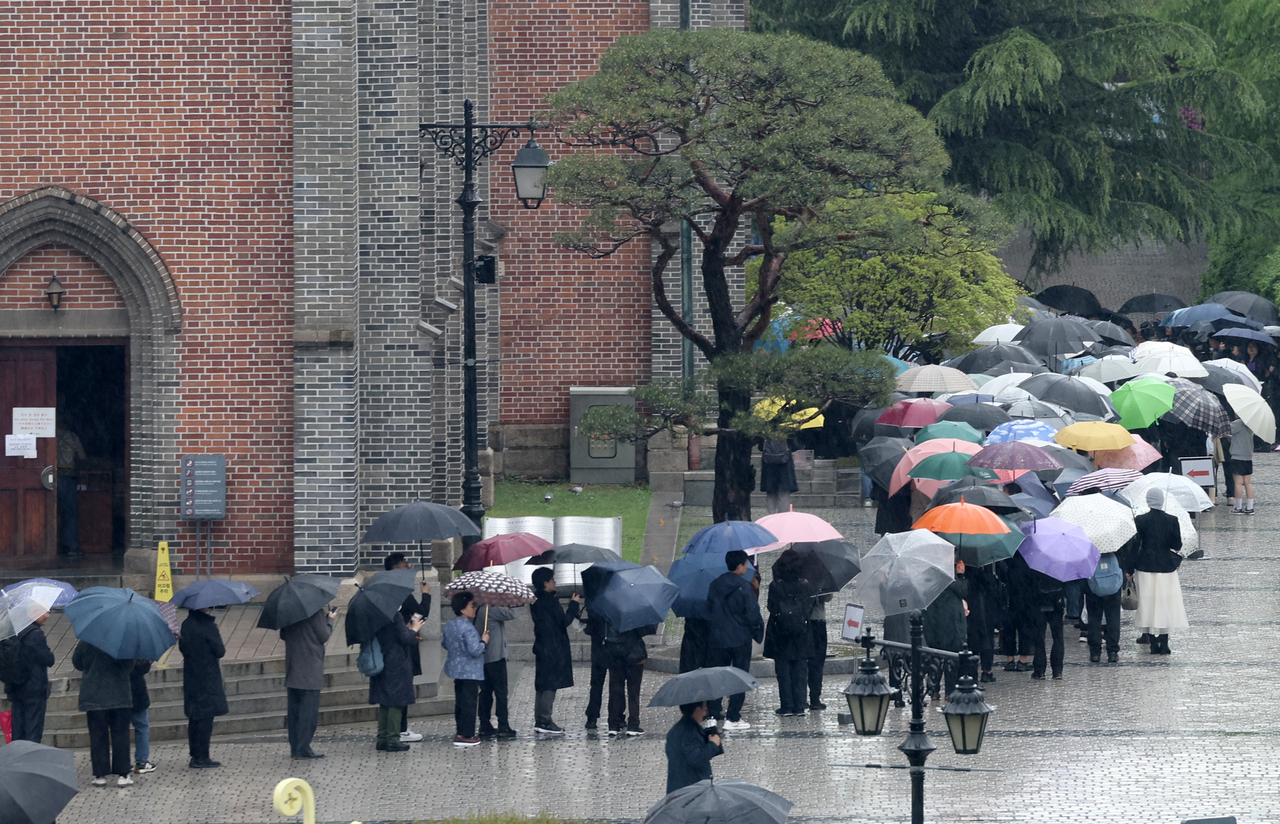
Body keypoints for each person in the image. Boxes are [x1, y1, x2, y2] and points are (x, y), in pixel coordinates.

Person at [1123, 489, 1188, 654]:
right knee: (1165, 603)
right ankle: (1164, 643)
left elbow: (1134, 546)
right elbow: (1177, 545)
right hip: (1166, 567)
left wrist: (1129, 569)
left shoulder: (1140, 520)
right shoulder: (1172, 520)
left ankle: (1152, 643)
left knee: (1148, 603)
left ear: (1148, 501)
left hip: (1145, 566)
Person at [706, 550, 764, 729]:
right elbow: (752, 613)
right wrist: (757, 633)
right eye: (746, 564)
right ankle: (733, 717)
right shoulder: (744, 587)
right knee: (740, 677)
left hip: (717, 639)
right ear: (739, 565)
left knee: (716, 676)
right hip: (740, 639)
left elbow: (709, 608)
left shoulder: (715, 585)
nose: (747, 567)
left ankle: (713, 714)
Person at [73, 640, 135, 786]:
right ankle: (123, 773)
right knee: (121, 735)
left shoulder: (87, 641)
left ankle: (100, 774)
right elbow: (129, 666)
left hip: (94, 695)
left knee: (97, 736)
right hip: (119, 694)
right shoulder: (123, 642)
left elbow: (77, 663)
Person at [529, 566, 582, 735]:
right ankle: (545, 720)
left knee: (542, 684)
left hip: (542, 646)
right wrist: (574, 605)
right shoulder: (550, 601)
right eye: (552, 579)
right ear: (546, 583)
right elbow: (564, 621)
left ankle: (540, 719)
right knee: (550, 685)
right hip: (553, 647)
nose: (555, 582)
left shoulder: (536, 600)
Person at [280, 603, 336, 758]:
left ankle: (295, 747)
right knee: (308, 712)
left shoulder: (289, 610)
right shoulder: (314, 611)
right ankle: (303, 748)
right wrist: (330, 620)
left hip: (293, 667)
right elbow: (323, 635)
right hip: (310, 669)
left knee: (295, 712)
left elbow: (283, 634)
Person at [387, 552, 431, 743]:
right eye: (405, 565)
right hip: (404, 644)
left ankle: (394, 729)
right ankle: (401, 729)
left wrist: (414, 625)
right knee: (403, 687)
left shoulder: (389, 589)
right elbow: (421, 613)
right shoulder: (400, 592)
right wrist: (426, 595)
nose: (409, 568)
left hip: (398, 640)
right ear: (396, 569)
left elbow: (415, 616)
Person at [764, 550, 815, 716]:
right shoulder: (806, 584)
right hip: (801, 632)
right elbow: (809, 607)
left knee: (783, 671)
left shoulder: (775, 586)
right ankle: (800, 705)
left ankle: (786, 705)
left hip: (780, 632)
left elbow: (771, 607)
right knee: (800, 669)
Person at [370, 604, 425, 751]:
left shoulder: (375, 614)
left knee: (384, 701)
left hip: (381, 660)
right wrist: (413, 629)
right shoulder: (394, 614)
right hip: (396, 662)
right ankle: (393, 739)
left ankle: (382, 738)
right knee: (396, 701)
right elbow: (405, 638)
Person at [180, 606, 229, 768]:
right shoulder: (208, 627)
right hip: (207, 676)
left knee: (195, 717)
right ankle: (202, 756)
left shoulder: (187, 624)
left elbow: (183, 648)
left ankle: (195, 754)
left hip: (191, 676)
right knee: (206, 717)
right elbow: (220, 651)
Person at [442, 592, 488, 747]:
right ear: (462, 609)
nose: (474, 608)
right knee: (469, 703)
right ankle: (467, 735)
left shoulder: (450, 624)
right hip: (470, 672)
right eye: (471, 605)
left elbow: (444, 643)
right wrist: (484, 641)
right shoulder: (468, 628)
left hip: (456, 669)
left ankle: (460, 731)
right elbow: (475, 650)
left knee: (460, 702)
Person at [3, 606, 54, 743]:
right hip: (34, 690)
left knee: (18, 732)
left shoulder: (13, 631)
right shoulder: (35, 634)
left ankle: (18, 761)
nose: (48, 615)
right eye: (45, 612)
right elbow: (49, 659)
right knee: (33, 732)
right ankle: (30, 762)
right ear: (33, 613)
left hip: (16, 688)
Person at [599, 615, 656, 736]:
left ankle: (613, 724)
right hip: (634, 655)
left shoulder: (611, 611)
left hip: (615, 655)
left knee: (615, 690)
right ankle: (633, 725)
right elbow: (647, 630)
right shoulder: (637, 611)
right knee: (633, 692)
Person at [922, 557, 968, 695]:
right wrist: (961, 574)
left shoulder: (929, 573)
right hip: (949, 623)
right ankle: (950, 691)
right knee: (951, 657)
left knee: (935, 655)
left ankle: (933, 690)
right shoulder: (948, 574)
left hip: (933, 620)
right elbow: (963, 591)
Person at [474, 602, 517, 739]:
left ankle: (484, 723)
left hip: (484, 657)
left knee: (486, 691)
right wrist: (514, 604)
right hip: (495, 657)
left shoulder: (479, 608)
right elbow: (511, 614)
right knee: (501, 691)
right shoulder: (490, 609)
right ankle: (503, 724)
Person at [665, 701, 723, 794]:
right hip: (692, 791)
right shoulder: (689, 732)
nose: (706, 711)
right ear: (697, 710)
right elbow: (696, 759)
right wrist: (712, 744)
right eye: (704, 708)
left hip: (680, 787)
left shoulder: (678, 729)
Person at [55, 418, 88, 558]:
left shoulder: (46, 436)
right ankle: (70, 546)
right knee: (69, 513)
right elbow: (82, 457)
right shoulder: (71, 436)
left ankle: (43, 547)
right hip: (67, 478)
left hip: (46, 478)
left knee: (47, 513)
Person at [806, 593, 833, 708]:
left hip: (803, 620)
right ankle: (814, 698)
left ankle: (801, 699)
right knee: (817, 662)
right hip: (817, 621)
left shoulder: (799, 576)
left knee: (804, 661)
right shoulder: (821, 578)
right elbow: (828, 597)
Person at [130, 660, 156, 774]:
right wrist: (148, 662)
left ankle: (122, 762)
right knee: (142, 726)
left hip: (118, 692)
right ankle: (141, 761)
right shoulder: (137, 646)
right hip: (136, 692)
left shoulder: (112, 645)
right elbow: (141, 670)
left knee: (120, 730)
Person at [759, 438, 797, 515]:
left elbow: (760, 447)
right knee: (784, 494)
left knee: (770, 493)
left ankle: (770, 518)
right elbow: (795, 446)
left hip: (769, 465)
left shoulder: (765, 430)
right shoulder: (788, 429)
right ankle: (783, 519)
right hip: (785, 467)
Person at [1230, 414, 1256, 514]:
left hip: (1237, 456)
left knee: (1238, 483)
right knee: (1248, 483)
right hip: (1248, 456)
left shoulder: (1238, 423)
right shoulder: (1251, 424)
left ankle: (1239, 507)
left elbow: (1226, 430)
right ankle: (1250, 507)